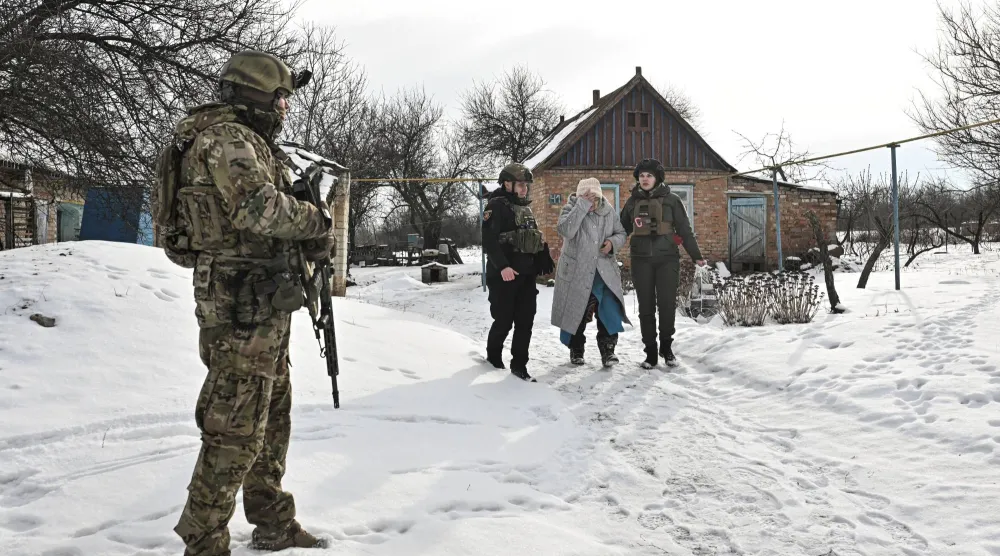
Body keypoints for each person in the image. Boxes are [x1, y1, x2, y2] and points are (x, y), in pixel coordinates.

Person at [156, 50, 336, 554]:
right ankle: (204, 541)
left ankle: (273, 521)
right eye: (281, 98)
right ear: (258, 95)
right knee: (234, 427)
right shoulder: (228, 139)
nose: (285, 108)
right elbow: (256, 207)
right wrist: (315, 221)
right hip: (239, 304)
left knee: (272, 413)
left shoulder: (240, 138)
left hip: (261, 299)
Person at [620, 159, 706, 369]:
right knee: (646, 308)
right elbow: (621, 230)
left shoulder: (672, 200)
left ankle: (666, 348)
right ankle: (650, 352)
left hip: (667, 259)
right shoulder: (632, 202)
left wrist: (696, 255)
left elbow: (685, 230)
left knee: (667, 305)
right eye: (641, 176)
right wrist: (607, 246)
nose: (645, 179)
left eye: (649, 175)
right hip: (641, 260)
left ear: (657, 178)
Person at [481, 162, 555, 382]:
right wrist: (502, 266)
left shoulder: (526, 208)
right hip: (504, 275)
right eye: (520, 184)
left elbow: (531, 236)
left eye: (526, 185)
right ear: (507, 183)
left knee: (525, 321)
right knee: (503, 320)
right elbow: (489, 241)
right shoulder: (496, 206)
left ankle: (519, 366)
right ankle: (493, 359)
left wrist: (542, 253)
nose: (524, 189)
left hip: (526, 275)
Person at [551, 177, 629, 367]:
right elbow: (566, 231)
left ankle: (608, 351)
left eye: (594, 198)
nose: (591, 202)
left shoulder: (608, 211)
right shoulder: (571, 209)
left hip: (603, 273)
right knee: (577, 312)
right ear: (579, 197)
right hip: (577, 271)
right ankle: (576, 350)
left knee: (609, 311)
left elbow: (621, 233)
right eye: (586, 197)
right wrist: (581, 207)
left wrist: (612, 243)